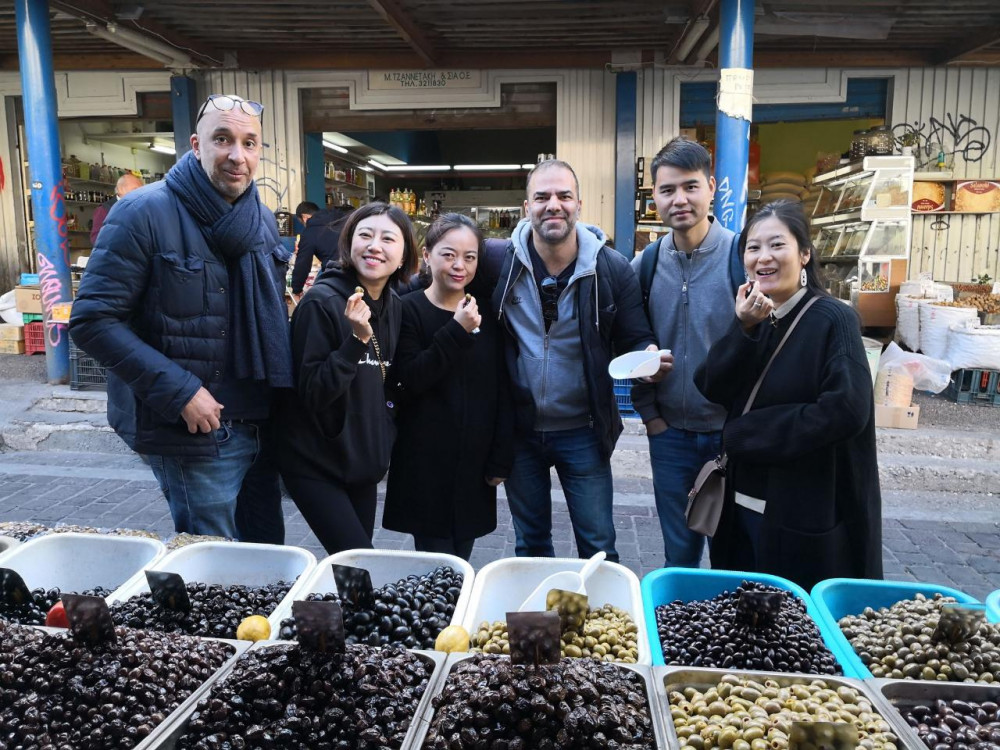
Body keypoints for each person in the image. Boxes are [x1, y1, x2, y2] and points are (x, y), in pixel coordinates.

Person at [70, 94, 292, 541]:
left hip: (262, 423)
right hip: (196, 431)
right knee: (215, 566)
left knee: (269, 556)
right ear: (196, 144)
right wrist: (181, 391)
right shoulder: (142, 212)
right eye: (223, 139)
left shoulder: (261, 219)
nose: (237, 155)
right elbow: (92, 320)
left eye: (249, 144)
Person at [695, 200, 882, 590]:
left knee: (793, 626)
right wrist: (743, 329)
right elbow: (711, 386)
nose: (763, 257)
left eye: (777, 245)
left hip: (800, 511)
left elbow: (847, 409)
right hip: (738, 505)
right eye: (752, 247)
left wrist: (750, 433)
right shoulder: (757, 316)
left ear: (805, 254)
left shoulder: (833, 318)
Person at [491, 159, 662, 562]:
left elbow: (637, 337)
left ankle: (599, 623)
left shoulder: (611, 268)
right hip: (520, 432)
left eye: (563, 196)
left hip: (583, 431)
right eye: (543, 197)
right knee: (530, 546)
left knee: (599, 545)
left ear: (579, 204)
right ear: (526, 207)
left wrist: (649, 357)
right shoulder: (499, 262)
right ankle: (538, 625)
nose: (554, 204)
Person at [275, 201, 418, 554]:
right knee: (357, 562)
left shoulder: (393, 305)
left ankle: (333, 610)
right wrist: (356, 340)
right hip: (315, 462)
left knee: (353, 569)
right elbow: (313, 393)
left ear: (402, 256)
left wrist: (385, 429)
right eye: (365, 235)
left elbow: (386, 379)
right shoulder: (320, 304)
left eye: (388, 239)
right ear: (349, 244)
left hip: (361, 460)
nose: (375, 246)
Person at [630, 136, 744, 568]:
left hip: (730, 437)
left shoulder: (741, 257)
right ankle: (684, 631)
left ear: (711, 187)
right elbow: (630, 341)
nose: (680, 199)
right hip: (670, 437)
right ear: (655, 196)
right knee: (678, 554)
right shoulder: (647, 264)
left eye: (690, 186)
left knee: (730, 552)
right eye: (667, 189)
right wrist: (652, 418)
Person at [383, 213, 513, 561]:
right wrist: (457, 330)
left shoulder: (487, 312)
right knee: (438, 566)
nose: (460, 266)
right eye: (449, 254)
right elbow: (408, 380)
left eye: (470, 257)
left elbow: (502, 388)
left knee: (462, 559)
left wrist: (501, 457)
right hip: (424, 465)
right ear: (427, 255)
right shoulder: (407, 309)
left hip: (475, 465)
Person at [290, 203, 353, 300]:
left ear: (304, 218)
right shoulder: (341, 218)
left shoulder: (310, 231)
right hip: (359, 271)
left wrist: (297, 290)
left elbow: (302, 264)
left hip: (336, 277)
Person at [89, 172, 144, 245]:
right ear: (121, 189)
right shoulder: (105, 210)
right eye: (135, 189)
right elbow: (96, 239)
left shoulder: (142, 208)